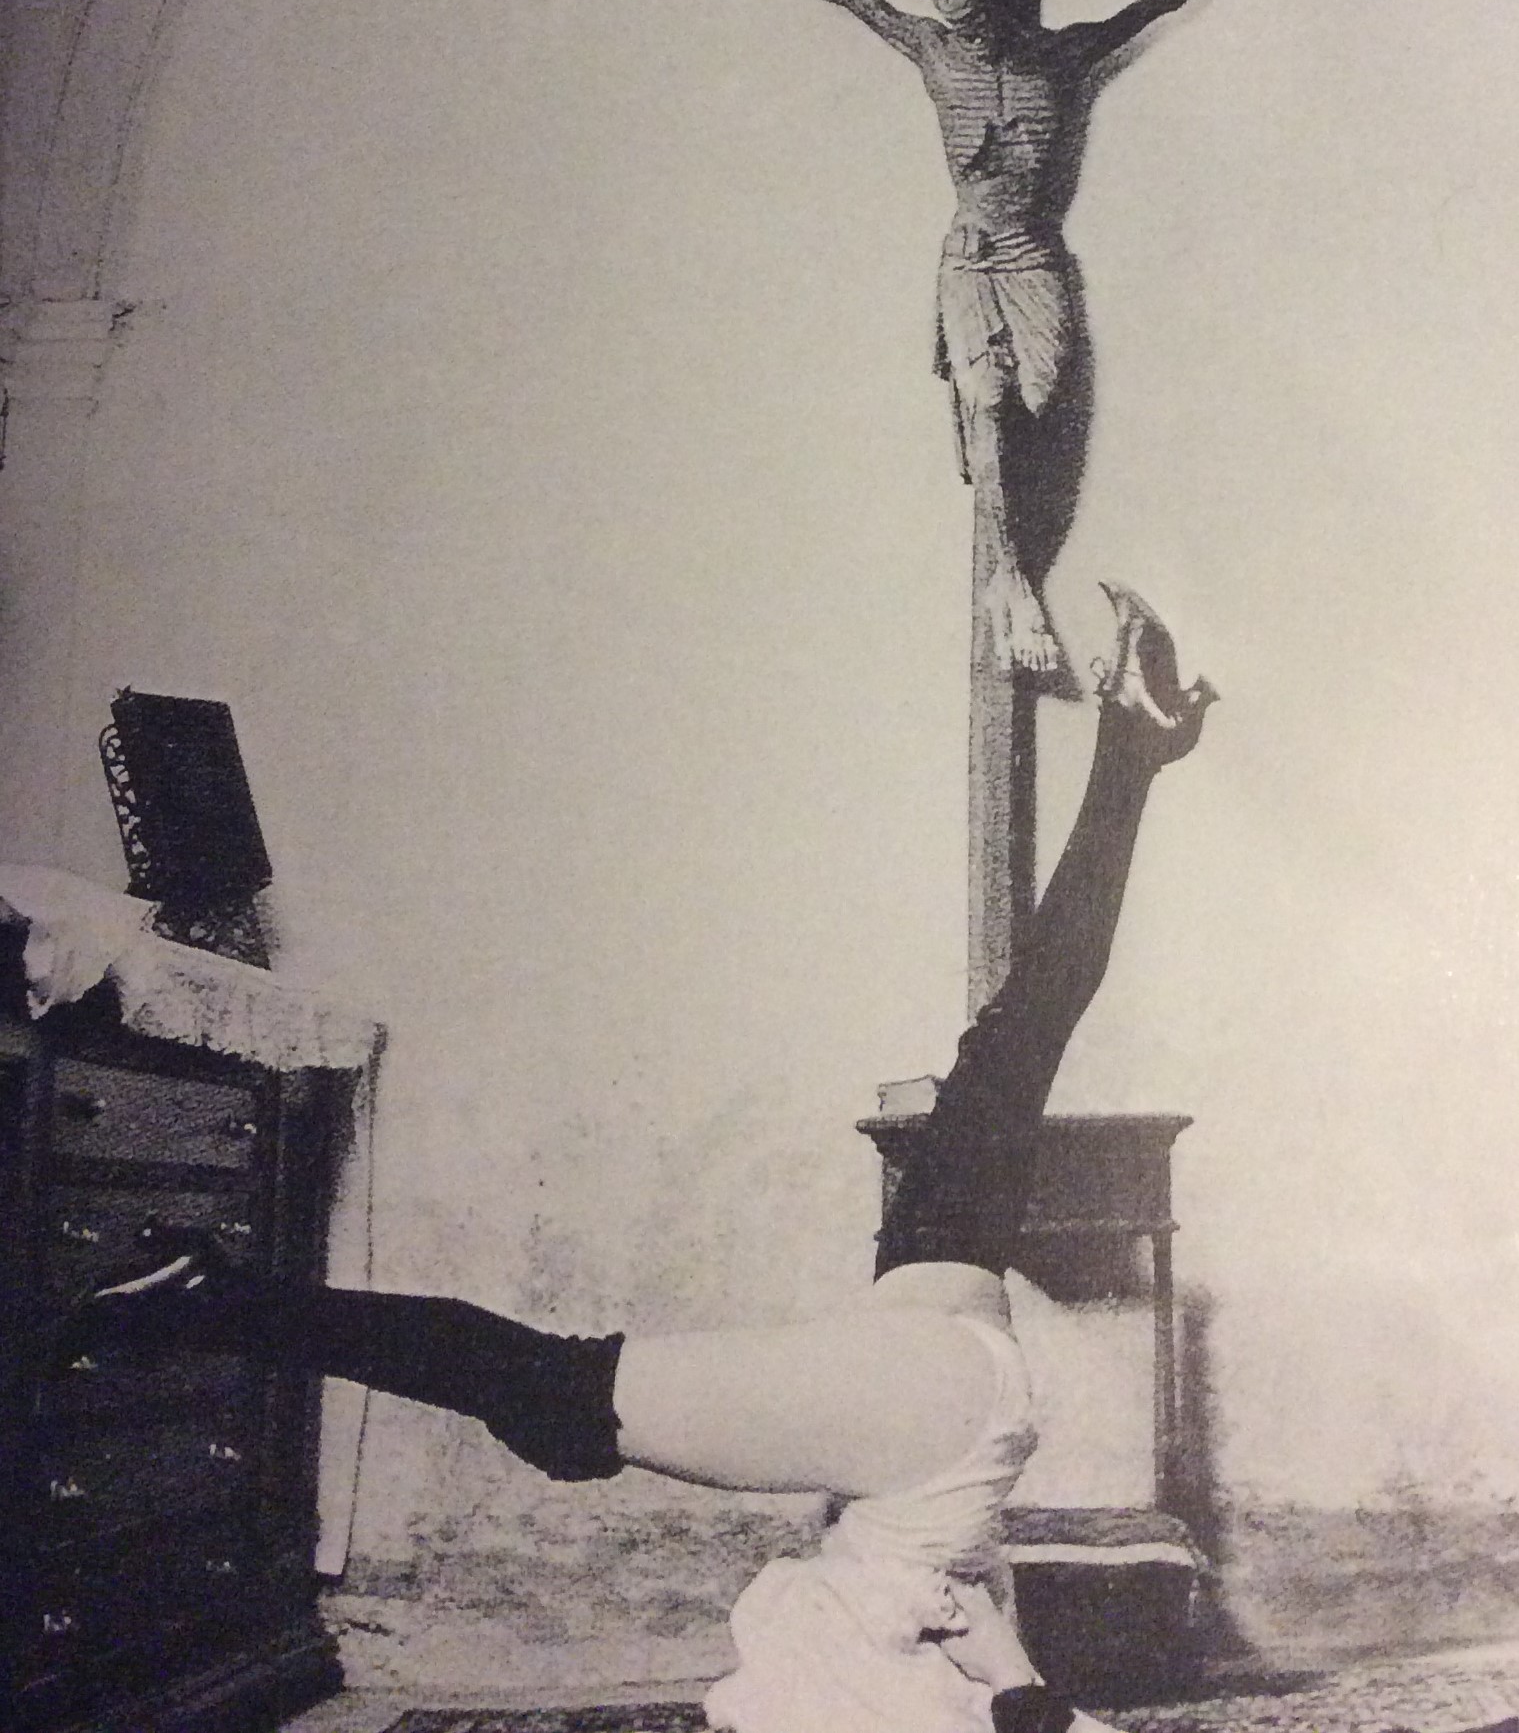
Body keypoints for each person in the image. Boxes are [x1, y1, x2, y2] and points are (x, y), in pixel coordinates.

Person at [59, 583, 1215, 1733]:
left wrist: (1026, 1700)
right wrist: (1030, 1710)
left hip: (954, 1367)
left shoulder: (931, 1651)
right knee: (545, 1385)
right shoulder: (889, 1686)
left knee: (1017, 1036)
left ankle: (1135, 751)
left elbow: (991, 1653)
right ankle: (215, 1297)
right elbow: (1002, 1682)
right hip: (929, 1406)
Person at [692, 0, 1287, 679]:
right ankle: (1008, 586)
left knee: (1040, 404)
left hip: (1032, 251)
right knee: (989, 401)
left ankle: (1020, 570)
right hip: (971, 251)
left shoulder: (1064, 57)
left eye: (968, 6)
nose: (959, 22)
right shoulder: (934, 52)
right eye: (946, 9)